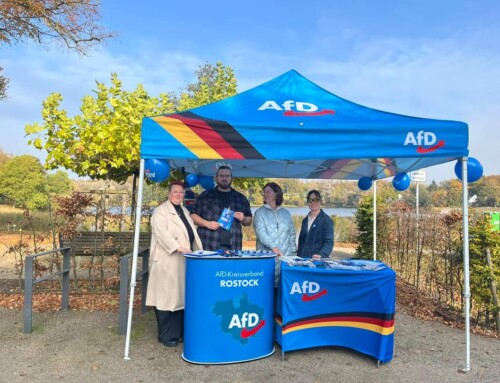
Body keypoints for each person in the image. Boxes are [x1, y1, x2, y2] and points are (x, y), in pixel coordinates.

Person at [146, 181, 202, 348]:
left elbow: (190, 232)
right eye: (175, 192)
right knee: (166, 299)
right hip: (167, 260)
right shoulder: (160, 211)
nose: (179, 195)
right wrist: (177, 247)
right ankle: (166, 335)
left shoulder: (183, 210)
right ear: (169, 193)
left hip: (183, 259)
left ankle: (178, 333)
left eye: (181, 192)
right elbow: (162, 234)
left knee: (179, 298)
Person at [191, 165, 252, 250]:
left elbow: (248, 221)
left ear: (231, 178)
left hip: (234, 246)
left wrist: (243, 218)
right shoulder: (205, 196)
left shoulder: (240, 198)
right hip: (209, 244)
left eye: (227, 176)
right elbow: (192, 216)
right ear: (216, 178)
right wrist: (207, 223)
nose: (224, 178)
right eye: (221, 176)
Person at [253, 182, 296, 286]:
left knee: (283, 290)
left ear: (277, 194)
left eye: (268, 192)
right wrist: (274, 247)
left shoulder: (286, 213)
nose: (265, 194)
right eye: (264, 192)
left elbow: (292, 234)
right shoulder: (259, 213)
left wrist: (294, 254)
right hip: (267, 259)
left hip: (285, 259)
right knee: (266, 289)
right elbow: (260, 233)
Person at [297, 190, 334, 260]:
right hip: (302, 260)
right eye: (310, 200)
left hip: (317, 261)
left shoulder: (327, 220)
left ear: (320, 201)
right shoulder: (304, 220)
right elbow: (301, 241)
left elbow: (329, 242)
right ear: (307, 202)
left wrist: (321, 254)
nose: (313, 202)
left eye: (316, 200)